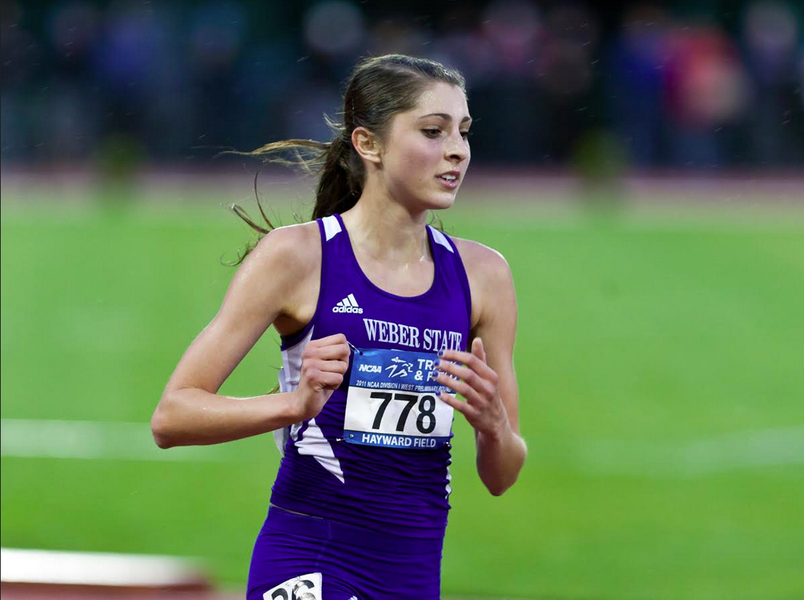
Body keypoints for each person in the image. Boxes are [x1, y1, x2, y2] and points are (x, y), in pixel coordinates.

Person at [151, 54, 527, 600]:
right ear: (368, 144)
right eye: (432, 131)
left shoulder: (484, 275)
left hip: (413, 573)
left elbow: (503, 475)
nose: (457, 151)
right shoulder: (297, 256)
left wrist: (494, 426)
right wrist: (293, 404)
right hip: (310, 557)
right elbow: (172, 416)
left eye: (463, 133)